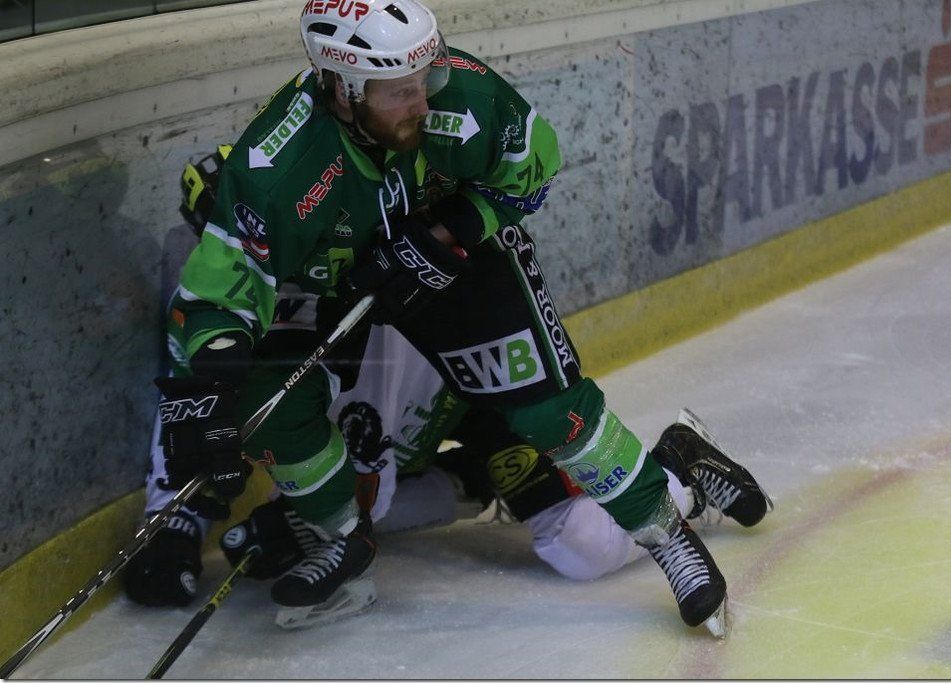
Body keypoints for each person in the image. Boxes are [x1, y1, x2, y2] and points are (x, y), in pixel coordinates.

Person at [142, 0, 772, 635]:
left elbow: (534, 166)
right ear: (345, 88)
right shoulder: (276, 169)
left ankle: (669, 535)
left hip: (462, 263)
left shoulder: (461, 98)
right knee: (273, 406)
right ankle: (347, 545)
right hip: (359, 295)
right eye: (401, 90)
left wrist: (451, 228)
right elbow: (217, 299)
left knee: (547, 410)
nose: (423, 101)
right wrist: (213, 397)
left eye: (426, 77)